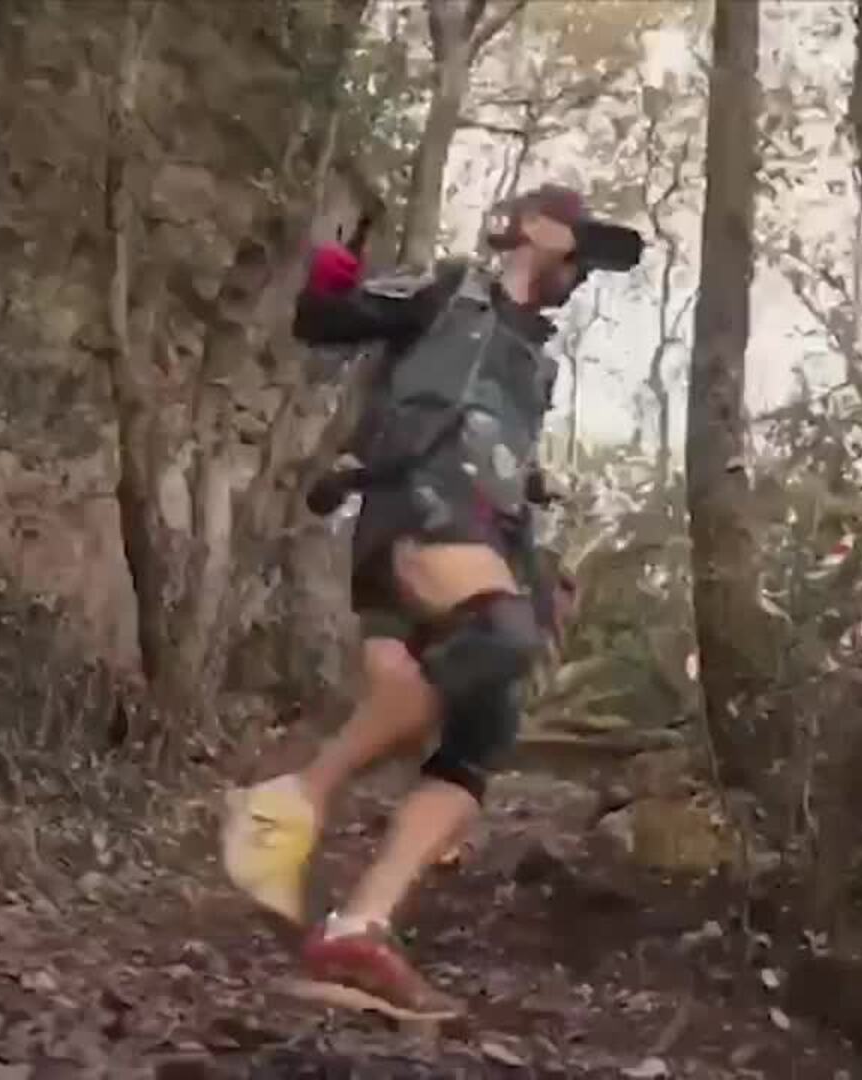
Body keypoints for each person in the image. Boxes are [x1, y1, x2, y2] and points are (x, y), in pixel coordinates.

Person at [219, 184, 638, 1018]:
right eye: (579, 250)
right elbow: (323, 321)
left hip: (488, 533)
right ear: (533, 229)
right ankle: (292, 798)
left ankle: (359, 927)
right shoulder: (449, 292)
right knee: (499, 637)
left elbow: (509, 456)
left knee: (481, 737)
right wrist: (334, 268)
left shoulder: (539, 363)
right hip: (414, 501)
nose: (583, 272)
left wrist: (538, 545)